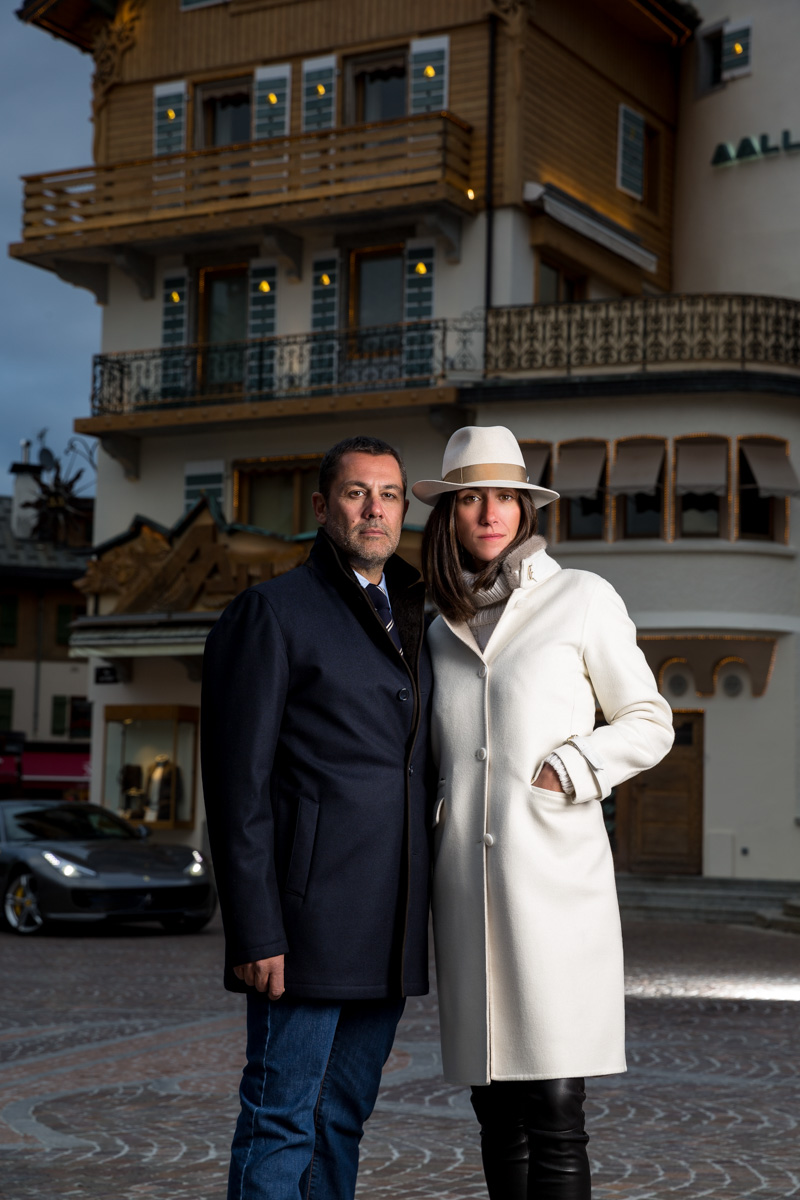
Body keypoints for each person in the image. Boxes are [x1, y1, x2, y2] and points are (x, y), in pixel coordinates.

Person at [412, 425, 674, 1200]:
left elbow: (651, 719)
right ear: (450, 515)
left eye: (504, 497)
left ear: (525, 509)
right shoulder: (436, 627)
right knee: (495, 1111)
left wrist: (575, 765)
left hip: (559, 891)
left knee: (557, 1108)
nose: (489, 513)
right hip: (466, 895)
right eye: (470, 499)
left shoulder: (583, 598)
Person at [201, 435, 433, 1200]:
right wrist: (256, 930)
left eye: (391, 494)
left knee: (342, 1119)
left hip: (390, 925)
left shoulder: (419, 615)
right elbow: (239, 789)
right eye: (358, 493)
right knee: (281, 1121)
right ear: (322, 506)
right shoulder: (271, 612)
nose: (376, 509)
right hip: (302, 930)